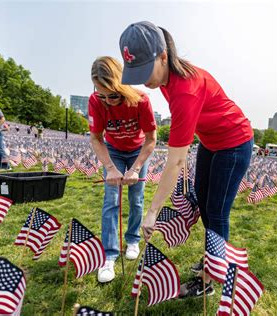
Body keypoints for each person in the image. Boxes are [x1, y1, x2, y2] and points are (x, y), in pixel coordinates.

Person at [119, 21, 254, 298]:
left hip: (234, 143)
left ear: (164, 56)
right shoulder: (167, 79)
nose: (145, 80)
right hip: (210, 141)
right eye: (136, 71)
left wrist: (153, 211)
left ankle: (209, 279)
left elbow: (176, 162)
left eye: (146, 70)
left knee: (216, 212)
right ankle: (212, 258)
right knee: (203, 203)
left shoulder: (185, 90)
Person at [88, 56, 157, 283]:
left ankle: (133, 239)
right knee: (111, 200)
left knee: (136, 198)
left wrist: (136, 169)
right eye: (102, 95)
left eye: (114, 95)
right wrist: (109, 168)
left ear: (122, 85)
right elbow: (96, 138)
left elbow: (151, 139)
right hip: (114, 150)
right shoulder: (95, 101)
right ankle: (109, 255)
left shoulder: (141, 100)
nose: (108, 101)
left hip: (138, 150)